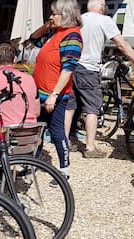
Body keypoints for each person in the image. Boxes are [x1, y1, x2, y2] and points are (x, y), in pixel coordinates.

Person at [65, 0, 134, 158]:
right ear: (102, 7)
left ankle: (64, 143)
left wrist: (131, 50)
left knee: (70, 106)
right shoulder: (104, 20)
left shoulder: (79, 19)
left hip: (71, 67)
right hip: (89, 69)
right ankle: (90, 148)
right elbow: (121, 44)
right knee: (92, 108)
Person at [30, 0, 83, 181]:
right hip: (40, 93)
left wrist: (53, 95)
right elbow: (33, 39)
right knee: (36, 131)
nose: (51, 17)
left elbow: (68, 69)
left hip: (55, 96)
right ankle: (33, 164)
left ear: (66, 14)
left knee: (57, 132)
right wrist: (47, 26)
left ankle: (64, 170)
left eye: (54, 14)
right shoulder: (55, 32)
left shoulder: (72, 36)